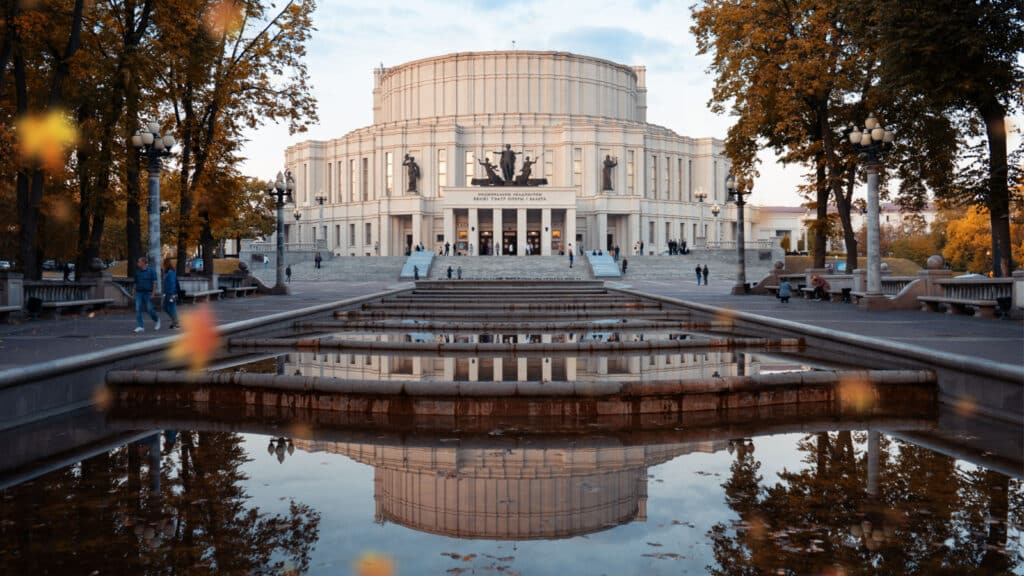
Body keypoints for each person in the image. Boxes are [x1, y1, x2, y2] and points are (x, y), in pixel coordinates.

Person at [133, 256, 159, 333]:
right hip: (139, 292)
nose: (138, 263)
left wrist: (153, 293)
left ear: (143, 263)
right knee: (138, 309)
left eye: (139, 262)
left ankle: (157, 320)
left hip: (148, 293)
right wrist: (133, 292)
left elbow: (154, 283)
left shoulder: (151, 271)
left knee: (149, 309)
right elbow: (135, 283)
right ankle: (140, 326)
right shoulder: (137, 272)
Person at [162, 258, 180, 329]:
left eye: (164, 264)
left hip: (171, 293)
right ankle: (174, 321)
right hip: (167, 293)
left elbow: (172, 283)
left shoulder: (170, 272)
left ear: (166, 264)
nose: (163, 265)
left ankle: (176, 323)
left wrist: (172, 294)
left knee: (172, 308)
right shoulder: (167, 272)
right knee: (165, 307)